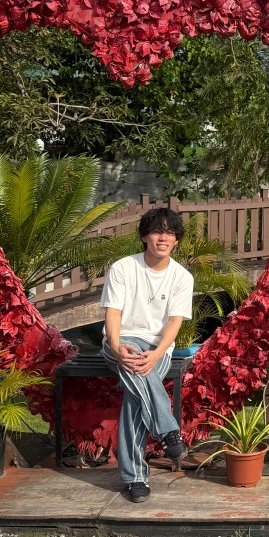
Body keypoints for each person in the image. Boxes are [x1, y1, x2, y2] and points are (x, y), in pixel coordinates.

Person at [101, 207, 194, 502]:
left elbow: (174, 323)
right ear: (144, 236)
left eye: (169, 233)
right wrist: (116, 348)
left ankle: (136, 478)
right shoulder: (123, 268)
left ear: (176, 240)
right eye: (157, 231)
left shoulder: (181, 277)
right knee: (133, 361)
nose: (163, 237)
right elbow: (113, 314)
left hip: (157, 347)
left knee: (135, 395)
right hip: (121, 341)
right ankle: (168, 432)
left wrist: (156, 354)